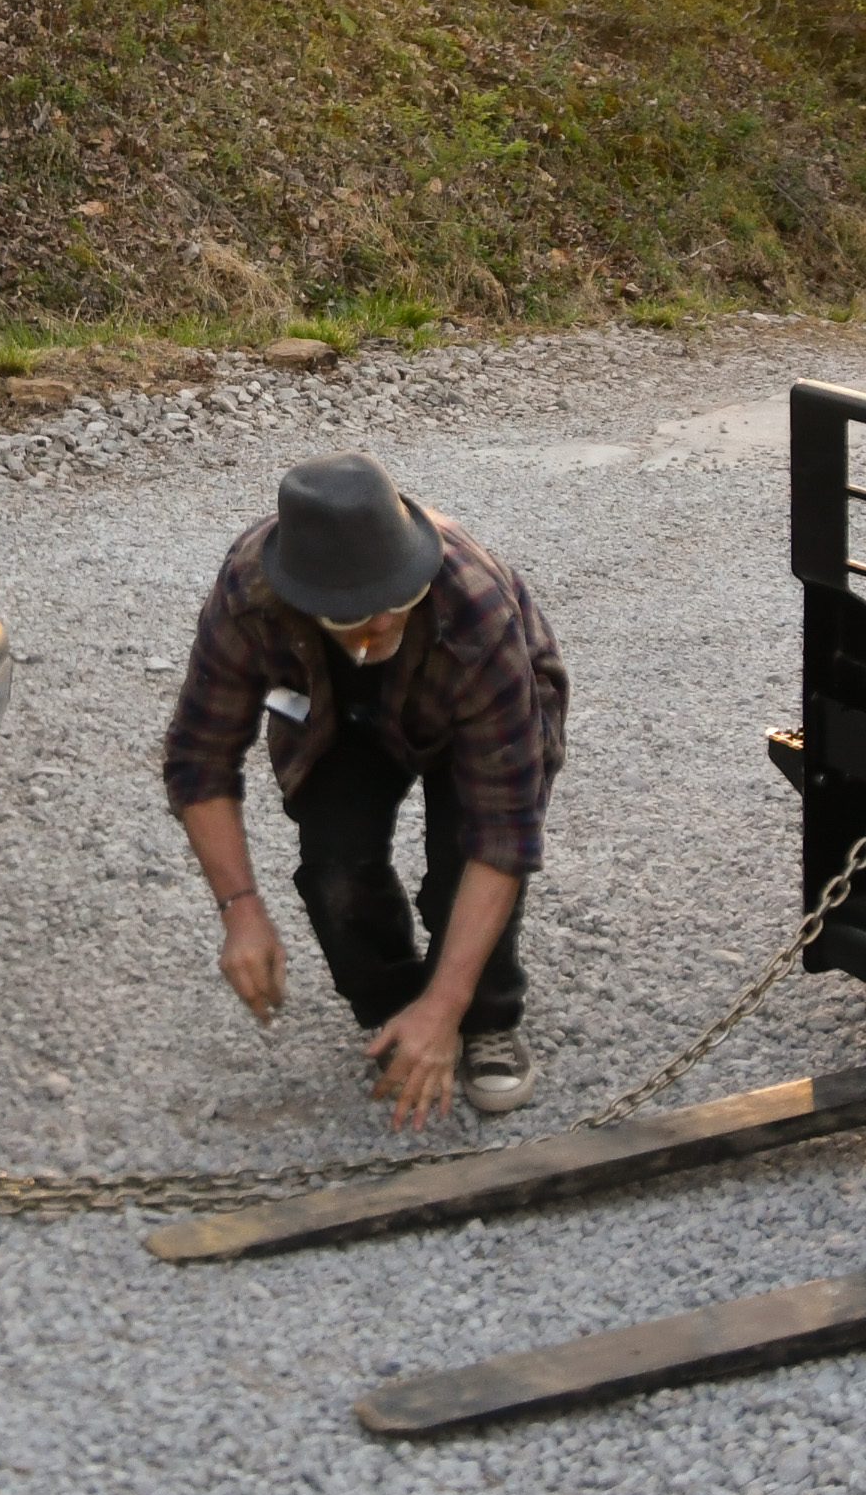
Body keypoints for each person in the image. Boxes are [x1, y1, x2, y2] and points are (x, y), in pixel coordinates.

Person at [161, 454, 568, 1128]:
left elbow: (504, 833)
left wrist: (451, 1004)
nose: (380, 623)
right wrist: (239, 909)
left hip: (474, 709)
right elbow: (198, 757)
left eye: (393, 603)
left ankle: (480, 1014)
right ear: (302, 598)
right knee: (335, 874)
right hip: (330, 710)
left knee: (458, 866)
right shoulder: (249, 594)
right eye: (355, 614)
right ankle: (393, 1012)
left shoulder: (478, 614)